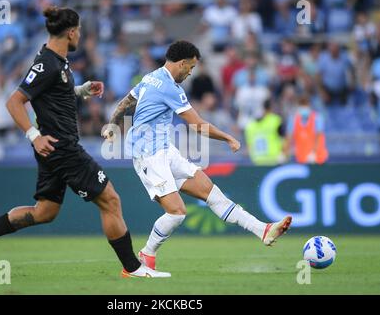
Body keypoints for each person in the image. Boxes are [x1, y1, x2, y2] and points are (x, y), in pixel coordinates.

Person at [0, 6, 170, 278]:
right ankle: (133, 267)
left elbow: (52, 92)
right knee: (111, 200)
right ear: (71, 32)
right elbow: (14, 102)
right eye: (79, 31)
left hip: (54, 149)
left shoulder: (57, 61)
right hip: (62, 148)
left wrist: (80, 90)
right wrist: (33, 136)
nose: (80, 36)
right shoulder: (46, 63)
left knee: (45, 211)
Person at [103, 40, 292, 271]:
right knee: (177, 213)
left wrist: (111, 126)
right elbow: (198, 125)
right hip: (148, 155)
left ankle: (261, 230)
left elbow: (127, 101)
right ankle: (144, 256)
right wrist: (228, 138)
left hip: (164, 150)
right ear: (182, 63)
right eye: (190, 67)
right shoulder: (170, 88)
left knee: (212, 193)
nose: (191, 72)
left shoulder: (151, 77)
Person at [284, 95, 328, 165]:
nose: (303, 108)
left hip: (318, 159)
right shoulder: (293, 119)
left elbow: (319, 136)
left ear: (309, 105)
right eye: (301, 105)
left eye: (305, 105)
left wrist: (313, 153)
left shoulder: (317, 118)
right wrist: (284, 153)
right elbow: (289, 137)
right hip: (301, 159)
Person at [245, 100, 285, 166]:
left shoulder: (249, 126)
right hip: (273, 160)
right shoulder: (275, 120)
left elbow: (249, 147)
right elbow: (284, 139)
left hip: (257, 161)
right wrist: (283, 154)